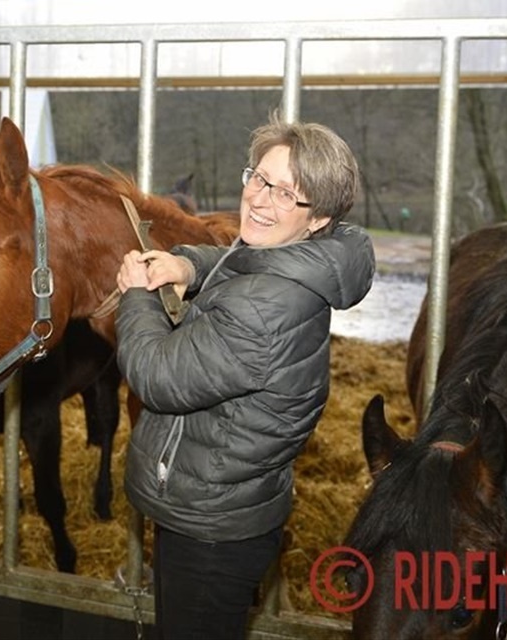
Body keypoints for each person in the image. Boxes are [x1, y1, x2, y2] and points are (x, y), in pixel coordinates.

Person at [115, 114, 376, 639]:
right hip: (222, 503)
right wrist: (188, 266)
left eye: (286, 194)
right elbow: (243, 262)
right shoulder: (295, 258)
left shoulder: (266, 308)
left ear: (318, 219)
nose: (259, 199)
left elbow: (158, 375)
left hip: (211, 532)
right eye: (259, 178)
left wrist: (136, 297)